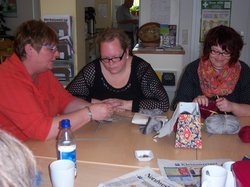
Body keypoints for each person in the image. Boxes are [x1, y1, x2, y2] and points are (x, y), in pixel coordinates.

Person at [0, 20, 116, 142]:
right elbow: (42, 130)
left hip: (37, 145)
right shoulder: (7, 79)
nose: (58, 54)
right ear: (30, 49)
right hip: (13, 153)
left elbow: (65, 102)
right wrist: (89, 113)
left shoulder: (43, 72)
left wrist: (96, 107)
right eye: (51, 49)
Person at [66, 28, 169, 113]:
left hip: (133, 127)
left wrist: (124, 104)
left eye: (116, 57)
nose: (110, 63)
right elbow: (66, 98)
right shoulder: (92, 70)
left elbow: (163, 104)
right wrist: (99, 103)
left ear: (127, 52)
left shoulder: (141, 69)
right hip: (99, 126)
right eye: (105, 58)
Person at [172, 25, 250, 116]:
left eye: (226, 53)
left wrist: (232, 106)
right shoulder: (193, 69)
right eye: (215, 51)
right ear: (208, 50)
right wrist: (193, 105)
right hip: (200, 125)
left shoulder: (243, 70)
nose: (219, 57)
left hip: (234, 127)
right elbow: (177, 106)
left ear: (234, 53)